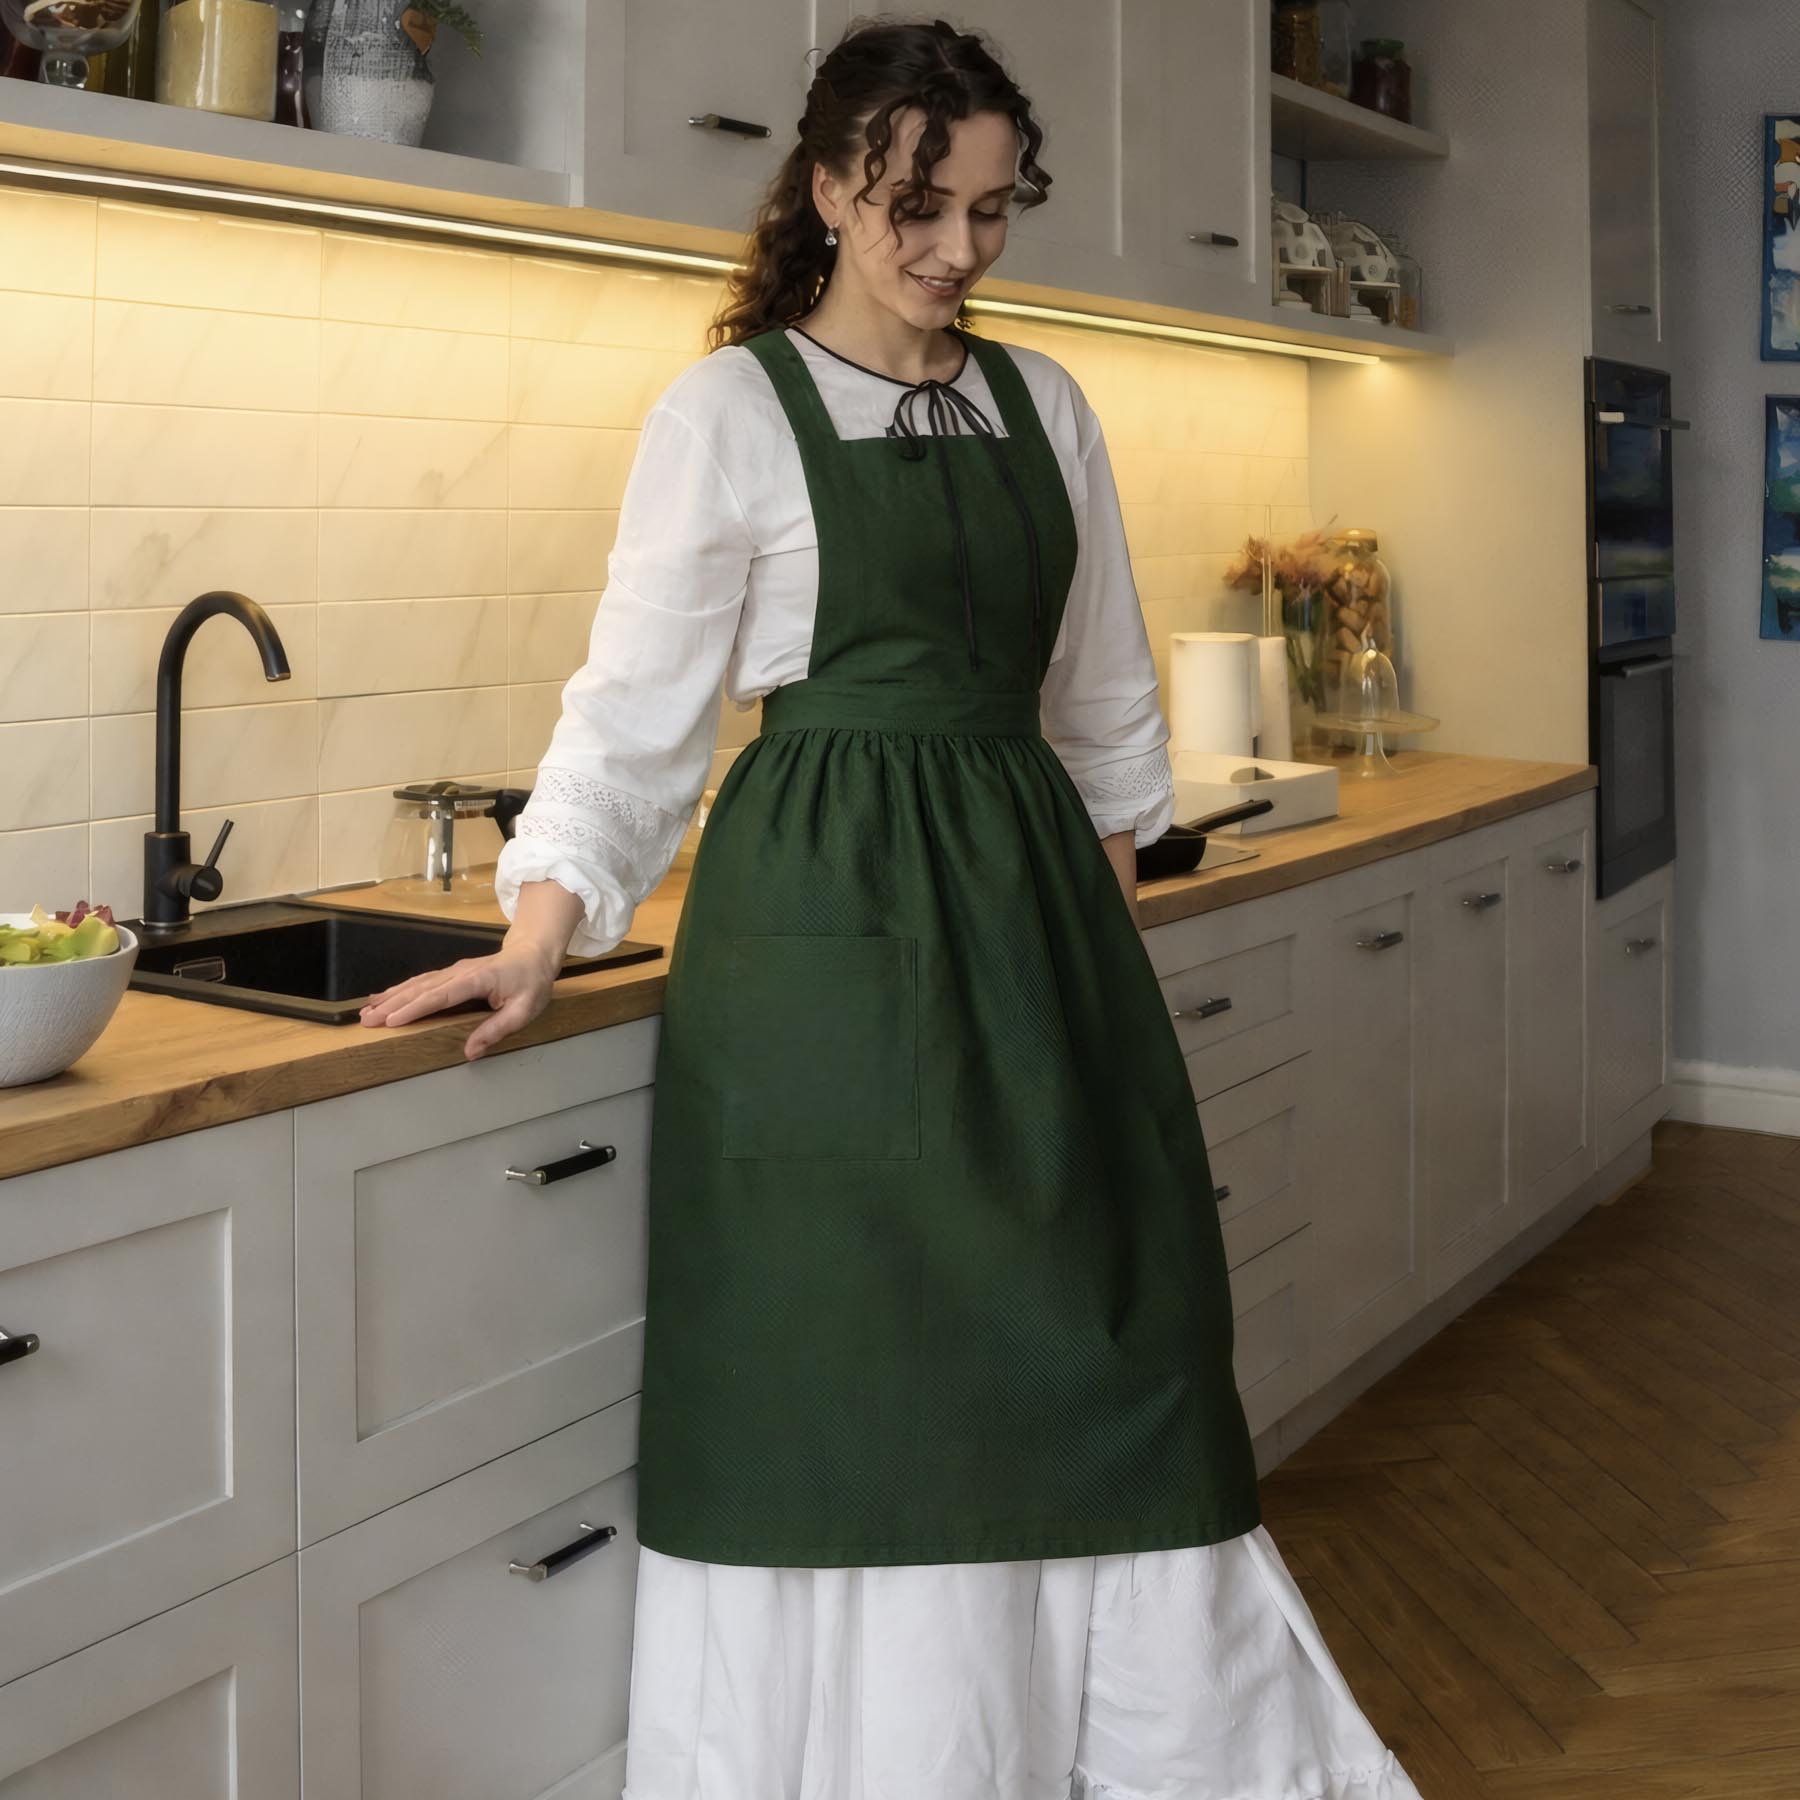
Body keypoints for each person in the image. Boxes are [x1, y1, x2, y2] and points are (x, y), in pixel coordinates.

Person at [363, 16, 1425, 1798]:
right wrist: (541, 931)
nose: (956, 249)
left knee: (1122, 1352)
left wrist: (1090, 980)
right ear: (832, 189)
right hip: (817, 955)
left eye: (991, 212)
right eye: (918, 208)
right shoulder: (729, 412)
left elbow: (1108, 714)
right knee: (850, 1380)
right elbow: (632, 719)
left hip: (1037, 932)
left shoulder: (1046, 404)